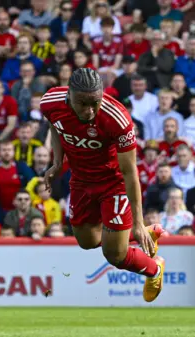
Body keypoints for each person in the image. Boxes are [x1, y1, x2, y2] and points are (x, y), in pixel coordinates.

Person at [40, 68, 166, 304]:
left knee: (114, 255)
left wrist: (138, 223)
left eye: (95, 103)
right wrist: (57, 162)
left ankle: (155, 270)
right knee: (86, 242)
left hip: (113, 184)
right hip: (80, 181)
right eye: (83, 103)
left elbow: (130, 173)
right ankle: (141, 235)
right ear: (69, 95)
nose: (90, 111)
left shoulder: (117, 117)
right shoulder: (50, 102)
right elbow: (55, 127)